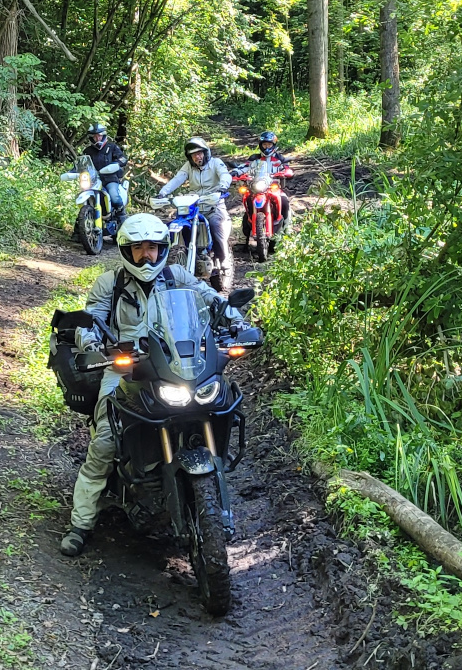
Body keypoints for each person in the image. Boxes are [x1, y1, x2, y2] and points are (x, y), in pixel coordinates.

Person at [60, 214, 246, 556]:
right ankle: (80, 523)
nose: (147, 256)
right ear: (126, 251)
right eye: (139, 249)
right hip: (127, 367)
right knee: (105, 439)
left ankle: (212, 504)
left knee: (218, 408)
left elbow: (212, 300)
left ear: (164, 249)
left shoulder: (179, 276)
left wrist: (236, 321)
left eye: (153, 248)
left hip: (178, 363)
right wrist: (94, 344)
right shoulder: (109, 283)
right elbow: (92, 319)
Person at [157, 137, 234, 292]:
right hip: (193, 206)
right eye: (194, 155)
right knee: (177, 224)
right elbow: (177, 179)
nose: (197, 157)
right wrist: (163, 193)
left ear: (205, 153)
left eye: (199, 153)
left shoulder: (216, 163)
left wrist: (222, 187)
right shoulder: (188, 167)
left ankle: (223, 260)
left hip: (214, 204)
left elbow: (225, 175)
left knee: (214, 225)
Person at [236, 131, 293, 244]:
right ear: (260, 145)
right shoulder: (254, 158)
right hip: (256, 188)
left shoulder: (279, 158)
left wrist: (287, 172)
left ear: (273, 145)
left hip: (274, 188)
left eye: (269, 144)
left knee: (284, 201)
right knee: (247, 204)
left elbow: (287, 168)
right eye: (264, 144)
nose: (267, 147)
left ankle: (287, 230)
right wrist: (236, 172)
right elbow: (244, 167)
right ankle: (243, 239)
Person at [82, 123, 129, 215]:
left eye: (99, 136)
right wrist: (73, 171)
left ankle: (122, 216)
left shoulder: (112, 147)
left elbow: (123, 158)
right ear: (91, 138)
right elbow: (82, 164)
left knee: (114, 196)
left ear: (103, 135)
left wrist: (117, 164)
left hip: (110, 179)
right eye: (95, 136)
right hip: (93, 180)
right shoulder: (87, 151)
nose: (97, 138)